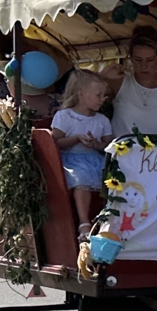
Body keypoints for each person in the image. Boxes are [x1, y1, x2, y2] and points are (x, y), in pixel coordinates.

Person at [50, 71, 114, 238]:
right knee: (81, 177)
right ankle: (84, 222)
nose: (103, 99)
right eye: (98, 95)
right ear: (81, 94)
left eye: (104, 95)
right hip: (72, 160)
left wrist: (97, 144)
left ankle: (112, 220)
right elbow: (55, 142)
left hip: (95, 158)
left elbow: (109, 144)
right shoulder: (65, 116)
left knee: (115, 176)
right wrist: (76, 139)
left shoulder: (102, 120)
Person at [102, 27, 157, 136]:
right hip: (122, 151)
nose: (144, 65)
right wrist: (101, 76)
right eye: (138, 60)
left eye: (150, 60)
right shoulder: (119, 81)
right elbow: (81, 94)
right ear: (130, 58)